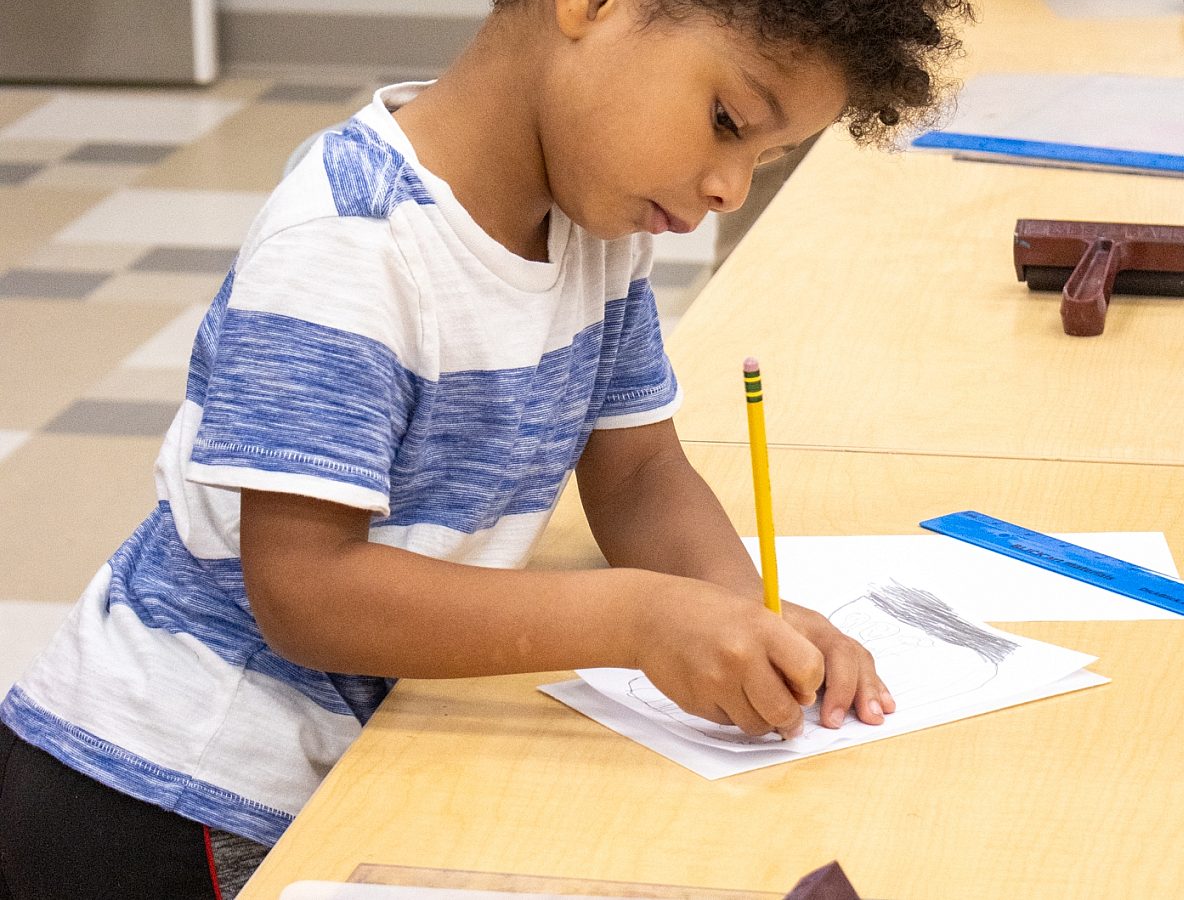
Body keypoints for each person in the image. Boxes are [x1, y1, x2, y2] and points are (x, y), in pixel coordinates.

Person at [0, 0, 972, 896]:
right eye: (726, 121)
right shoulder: (350, 240)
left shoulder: (598, 225)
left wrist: (745, 619)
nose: (725, 188)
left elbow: (639, 473)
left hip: (351, 745)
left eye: (765, 158)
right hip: (168, 798)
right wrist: (641, 619)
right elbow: (305, 593)